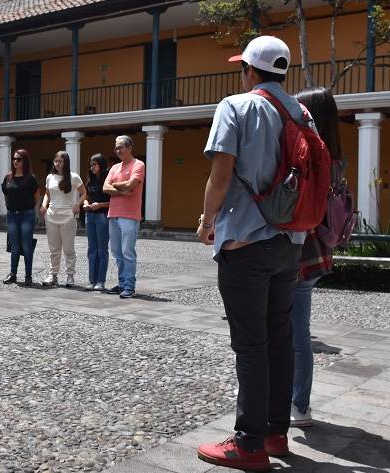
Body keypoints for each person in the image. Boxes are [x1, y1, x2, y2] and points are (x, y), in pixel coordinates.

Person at [196, 36, 308, 472]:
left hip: (246, 242)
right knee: (280, 339)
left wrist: (207, 222)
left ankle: (249, 443)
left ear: (249, 70)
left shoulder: (236, 106)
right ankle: (277, 433)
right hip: (289, 244)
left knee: (250, 345)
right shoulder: (302, 112)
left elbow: (220, 175)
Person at [289, 87, 341, 428]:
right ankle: (293, 401)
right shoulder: (336, 157)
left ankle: (298, 404)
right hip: (318, 251)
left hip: (301, 252)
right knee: (296, 333)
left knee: (294, 334)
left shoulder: (313, 153)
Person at [103, 135, 144, 298]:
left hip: (130, 215)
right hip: (113, 214)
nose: (117, 150)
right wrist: (121, 191)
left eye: (120, 147)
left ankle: (129, 286)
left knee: (128, 252)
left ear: (129, 147)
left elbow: (130, 185)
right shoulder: (114, 167)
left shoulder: (138, 164)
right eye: (116, 148)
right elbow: (105, 188)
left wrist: (114, 185)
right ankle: (122, 283)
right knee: (116, 252)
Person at [40, 151, 86, 287]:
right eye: (55, 161)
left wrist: (77, 204)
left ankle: (70, 275)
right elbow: (47, 194)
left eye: (60, 161)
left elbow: (84, 193)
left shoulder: (74, 177)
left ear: (66, 162)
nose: (57, 164)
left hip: (68, 216)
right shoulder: (50, 177)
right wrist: (44, 205)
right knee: (54, 248)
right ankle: (53, 275)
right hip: (52, 216)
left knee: (68, 248)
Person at [1, 148, 40, 286]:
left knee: (27, 246)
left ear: (25, 161)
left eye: (18, 159)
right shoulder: (8, 177)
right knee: (15, 246)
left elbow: (36, 197)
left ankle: (28, 276)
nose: (15, 161)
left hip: (26, 215)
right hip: (12, 215)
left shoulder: (30, 178)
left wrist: (29, 208)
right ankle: (13, 274)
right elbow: (6, 194)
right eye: (14, 159)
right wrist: (10, 206)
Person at [83, 153, 110, 291]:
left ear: (101, 165)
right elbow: (86, 196)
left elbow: (113, 202)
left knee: (102, 250)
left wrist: (99, 205)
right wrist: (85, 203)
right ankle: (92, 280)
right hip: (90, 216)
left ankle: (100, 281)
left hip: (102, 216)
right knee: (92, 249)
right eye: (91, 165)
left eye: (95, 165)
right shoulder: (90, 179)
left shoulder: (108, 179)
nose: (92, 167)